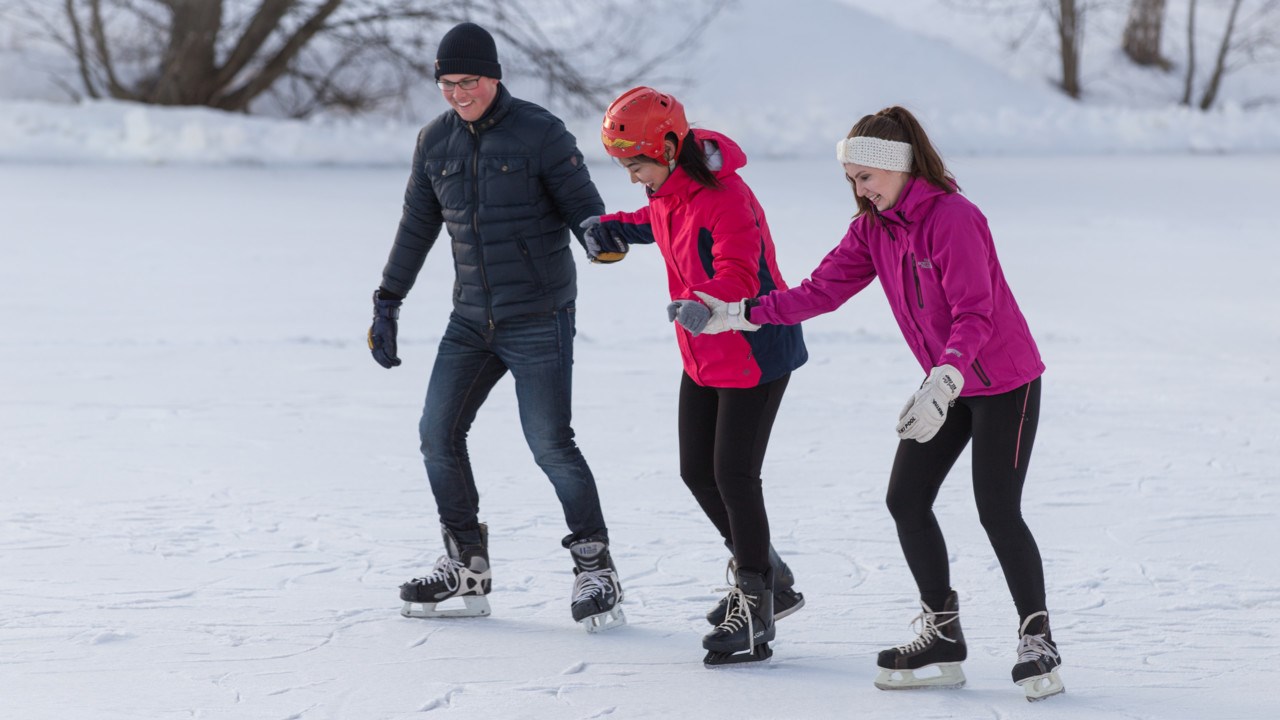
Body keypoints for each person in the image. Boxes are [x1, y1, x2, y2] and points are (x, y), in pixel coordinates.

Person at [697, 106, 1064, 699]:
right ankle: (943, 634)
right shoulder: (875, 229)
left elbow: (976, 311)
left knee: (997, 509)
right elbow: (820, 291)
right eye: (852, 180)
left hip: (1002, 382)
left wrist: (945, 377)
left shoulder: (954, 218)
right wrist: (740, 314)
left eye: (866, 177)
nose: (859, 190)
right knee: (906, 500)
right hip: (945, 385)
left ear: (899, 166)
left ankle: (1037, 638)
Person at [367, 22, 624, 633]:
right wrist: (388, 300)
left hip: (539, 314)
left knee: (549, 443)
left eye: (470, 82)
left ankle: (596, 567)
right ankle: (466, 562)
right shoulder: (435, 141)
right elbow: (416, 227)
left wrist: (598, 237)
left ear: (494, 76)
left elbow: (583, 206)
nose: (459, 94)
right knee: (437, 434)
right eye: (448, 84)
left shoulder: (540, 131)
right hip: (470, 319)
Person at [583, 87, 808, 665]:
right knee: (696, 471)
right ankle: (771, 579)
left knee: (734, 474)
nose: (633, 177)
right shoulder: (669, 191)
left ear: (667, 147)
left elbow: (741, 272)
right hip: (704, 353)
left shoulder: (726, 197)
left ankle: (756, 607)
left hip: (754, 350)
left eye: (636, 164)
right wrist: (613, 226)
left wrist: (705, 302)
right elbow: (657, 221)